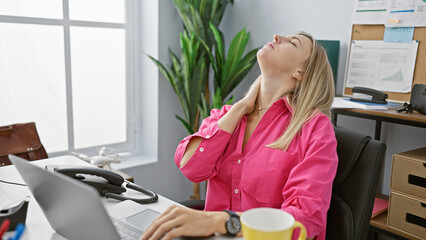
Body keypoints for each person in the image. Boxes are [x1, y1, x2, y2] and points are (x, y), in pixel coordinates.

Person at [142, 31, 338, 240]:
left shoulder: (315, 128)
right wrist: (240, 108)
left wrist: (222, 222)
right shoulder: (226, 115)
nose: (277, 36)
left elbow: (305, 219)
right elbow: (190, 168)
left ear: (301, 72)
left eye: (293, 42)